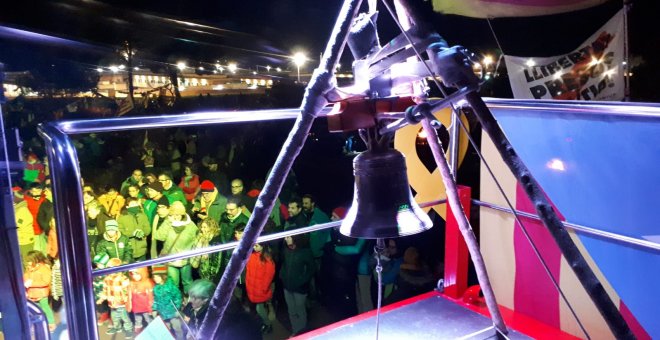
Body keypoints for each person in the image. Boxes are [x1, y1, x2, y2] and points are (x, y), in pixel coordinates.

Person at [153, 201, 199, 294]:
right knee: (174, 283)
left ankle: (189, 301)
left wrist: (186, 251)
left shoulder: (190, 225)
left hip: (185, 259)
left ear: (183, 214)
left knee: (187, 282)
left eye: (178, 214)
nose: (176, 217)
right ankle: (175, 301)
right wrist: (167, 223)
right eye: (173, 214)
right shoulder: (168, 223)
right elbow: (159, 236)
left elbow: (196, 241)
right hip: (171, 259)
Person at [280, 234, 315, 336]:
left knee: (300, 311)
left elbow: (312, 269)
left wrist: (302, 280)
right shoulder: (285, 250)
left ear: (295, 237)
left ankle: (302, 334)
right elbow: (283, 264)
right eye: (285, 237)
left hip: (300, 288)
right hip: (287, 287)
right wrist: (282, 275)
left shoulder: (304, 252)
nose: (285, 239)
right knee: (291, 311)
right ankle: (296, 332)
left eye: (288, 237)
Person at [98, 258, 134, 338]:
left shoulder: (123, 278)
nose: (110, 270)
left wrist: (126, 301)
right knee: (114, 317)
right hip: (112, 305)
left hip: (121, 304)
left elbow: (127, 291)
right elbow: (105, 290)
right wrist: (102, 299)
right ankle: (117, 327)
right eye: (109, 267)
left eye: (112, 267)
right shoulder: (106, 279)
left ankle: (129, 330)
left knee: (126, 318)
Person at [246, 242, 276, 334]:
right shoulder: (252, 256)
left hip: (260, 290)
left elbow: (269, 276)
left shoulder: (268, 259)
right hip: (253, 289)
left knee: (259, 309)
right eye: (254, 245)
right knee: (258, 309)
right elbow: (248, 271)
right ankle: (266, 322)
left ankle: (268, 324)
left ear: (263, 246)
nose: (254, 247)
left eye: (257, 245)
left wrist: (263, 288)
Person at [23, 250, 56, 332]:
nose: (28, 263)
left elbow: (45, 281)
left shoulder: (44, 268)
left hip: (41, 294)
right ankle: (39, 324)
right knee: (35, 310)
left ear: (36, 259)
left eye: (30, 261)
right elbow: (26, 276)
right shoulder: (30, 268)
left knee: (45, 308)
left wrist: (31, 283)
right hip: (32, 293)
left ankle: (51, 323)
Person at [151, 264, 184, 339]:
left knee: (177, 328)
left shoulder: (171, 286)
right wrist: (154, 309)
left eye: (157, 276)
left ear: (163, 276)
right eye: (154, 277)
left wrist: (177, 309)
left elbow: (178, 297)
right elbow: (155, 300)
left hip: (173, 312)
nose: (155, 278)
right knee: (166, 329)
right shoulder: (156, 288)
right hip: (163, 313)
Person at [190, 219, 224, 283]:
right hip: (200, 269)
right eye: (202, 227)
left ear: (211, 228)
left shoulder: (215, 241)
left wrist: (211, 275)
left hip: (209, 273)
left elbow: (216, 261)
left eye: (205, 227)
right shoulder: (201, 237)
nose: (202, 229)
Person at [128, 267, 155, 334]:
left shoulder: (147, 283)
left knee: (149, 319)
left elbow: (150, 297)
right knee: (137, 320)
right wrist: (129, 305)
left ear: (142, 273)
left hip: (146, 308)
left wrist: (150, 308)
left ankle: (153, 330)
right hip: (136, 308)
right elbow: (129, 295)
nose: (134, 276)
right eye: (133, 274)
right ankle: (139, 330)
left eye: (137, 274)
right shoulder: (131, 283)